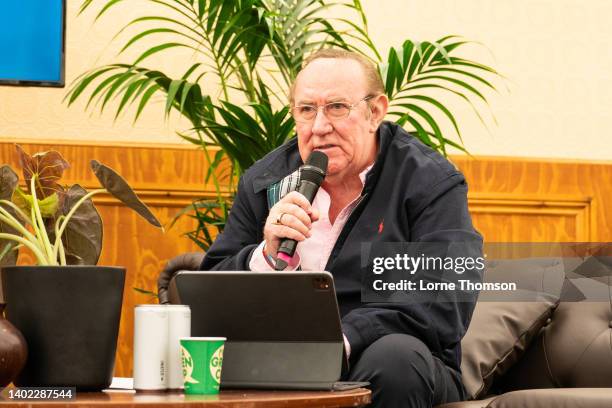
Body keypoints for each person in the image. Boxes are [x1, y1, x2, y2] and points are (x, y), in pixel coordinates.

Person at [159, 49, 482, 407]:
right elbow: (207, 292)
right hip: (281, 367)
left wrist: (341, 340)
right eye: (306, 110)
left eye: (337, 108)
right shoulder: (266, 181)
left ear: (375, 112)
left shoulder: (428, 183)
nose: (319, 127)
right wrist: (264, 255)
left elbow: (445, 296)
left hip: (393, 365)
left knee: (395, 358)